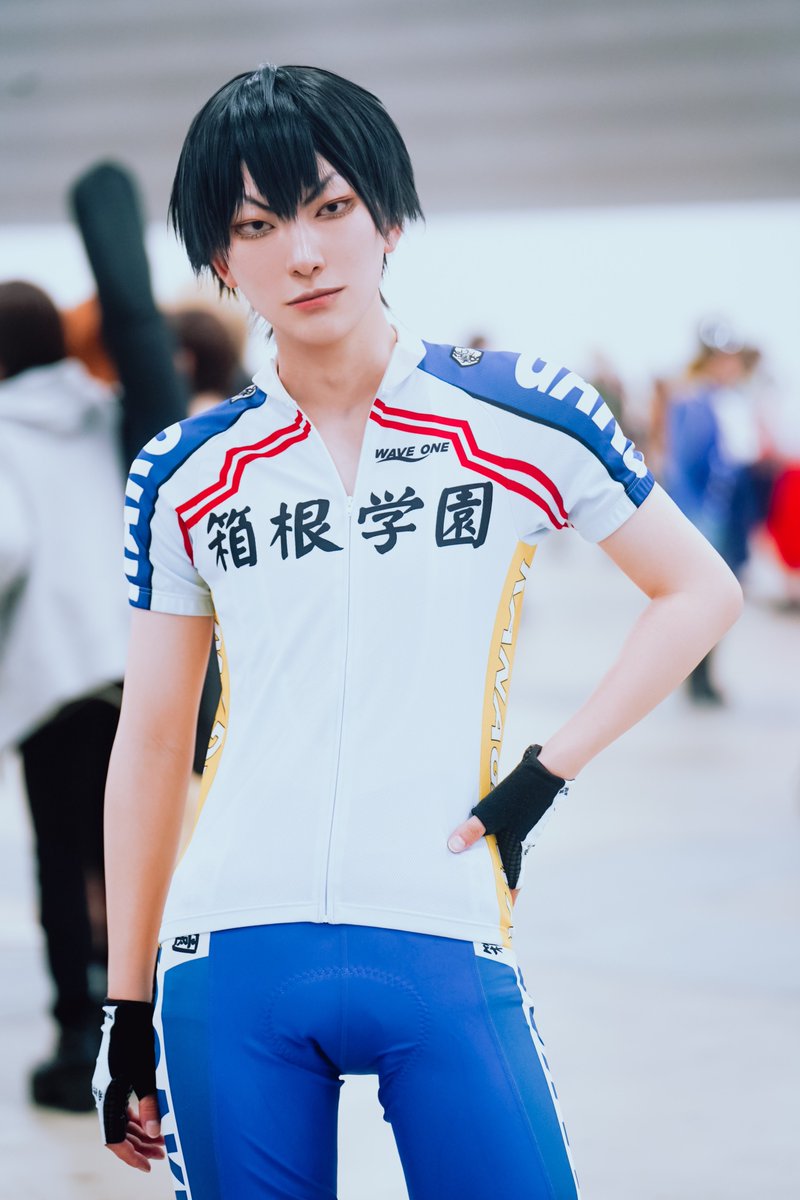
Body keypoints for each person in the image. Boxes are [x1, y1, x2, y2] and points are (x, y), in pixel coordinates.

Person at [92, 65, 742, 1199]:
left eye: (330, 207)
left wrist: (542, 776)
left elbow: (697, 591)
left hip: (440, 922)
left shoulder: (520, 413)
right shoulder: (184, 471)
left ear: (388, 220)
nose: (303, 252)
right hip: (228, 951)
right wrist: (126, 1007)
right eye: (257, 225)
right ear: (220, 261)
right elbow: (151, 742)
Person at [0, 280, 130, 1111]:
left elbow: (6, 544)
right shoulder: (105, 410)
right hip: (132, 664)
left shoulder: (4, 428)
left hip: (53, 674)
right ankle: (135, 1024)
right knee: (124, 852)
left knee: (61, 858)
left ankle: (78, 1037)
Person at [662, 321, 765, 703]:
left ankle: (705, 674)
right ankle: (696, 677)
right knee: (705, 597)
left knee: (724, 597)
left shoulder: (735, 400)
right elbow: (685, 464)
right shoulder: (691, 400)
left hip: (731, 512)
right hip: (706, 513)